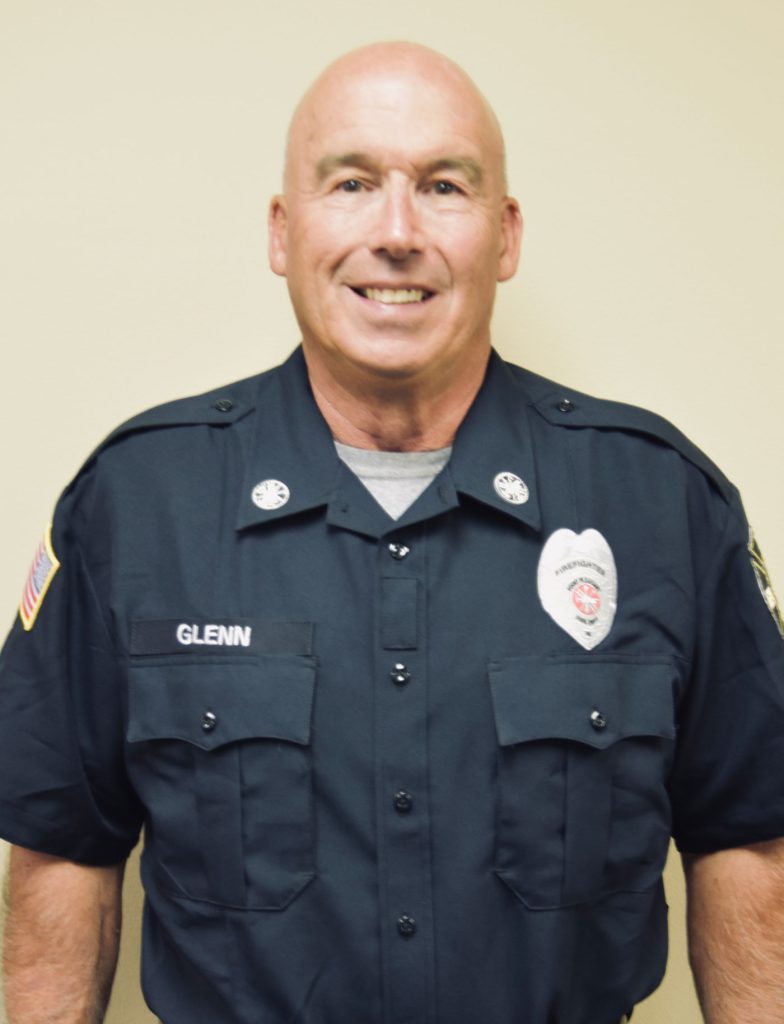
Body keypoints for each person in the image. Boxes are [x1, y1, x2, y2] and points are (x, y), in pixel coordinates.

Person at [1, 40, 783, 1024]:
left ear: (504, 236)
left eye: (443, 185)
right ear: (283, 231)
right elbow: (62, 851)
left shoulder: (660, 503)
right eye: (353, 183)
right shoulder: (139, 502)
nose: (397, 231)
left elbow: (747, 842)